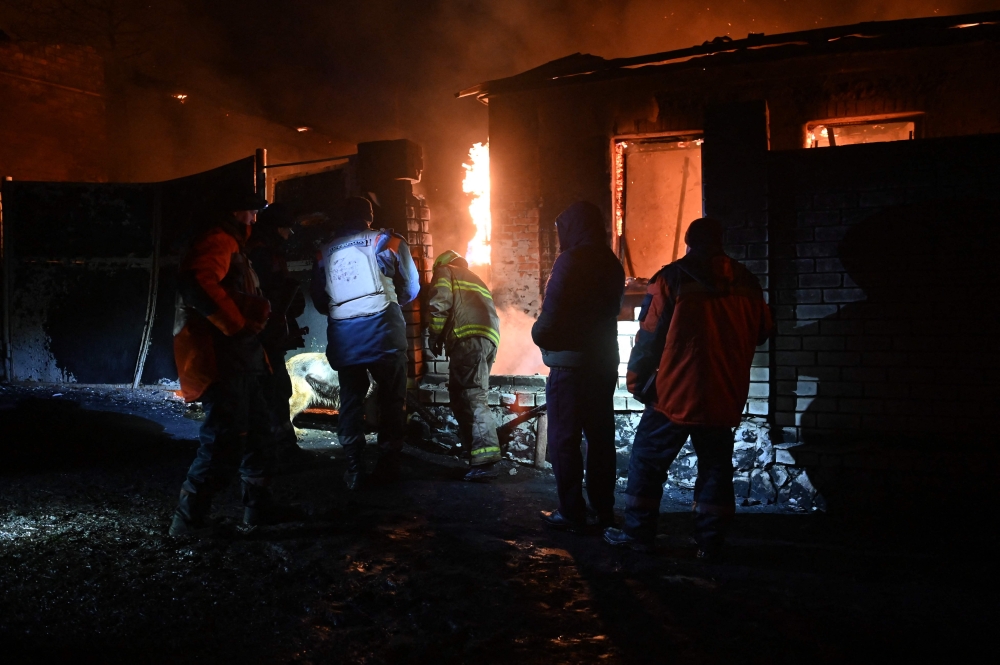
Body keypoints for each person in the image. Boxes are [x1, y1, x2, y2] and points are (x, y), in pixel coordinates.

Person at [604, 217, 774, 559]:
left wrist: (636, 382)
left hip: (675, 394)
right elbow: (763, 331)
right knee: (716, 467)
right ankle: (711, 544)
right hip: (724, 393)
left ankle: (638, 536)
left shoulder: (671, 278)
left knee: (648, 463)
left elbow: (649, 337)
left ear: (688, 242)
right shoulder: (747, 282)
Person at [169, 193, 300, 536]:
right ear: (232, 210)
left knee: (259, 434)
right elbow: (196, 283)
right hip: (222, 358)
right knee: (224, 439)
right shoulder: (217, 240)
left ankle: (258, 508)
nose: (254, 218)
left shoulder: (235, 246)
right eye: (250, 210)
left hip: (244, 358)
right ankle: (188, 521)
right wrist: (238, 326)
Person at [311, 196, 420, 490]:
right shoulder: (388, 241)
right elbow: (411, 289)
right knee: (392, 399)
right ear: (369, 217)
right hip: (384, 332)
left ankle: (354, 468)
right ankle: (388, 466)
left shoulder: (324, 252)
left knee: (350, 399)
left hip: (345, 338)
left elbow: (320, 301)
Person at [532, 201, 625, 532]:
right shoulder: (611, 262)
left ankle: (571, 510)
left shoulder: (570, 261)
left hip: (570, 367)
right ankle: (604, 510)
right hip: (602, 364)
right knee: (600, 439)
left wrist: (538, 335)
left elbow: (552, 315)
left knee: (564, 439)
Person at [426, 250, 502, 481]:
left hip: (467, 339)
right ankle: (475, 455)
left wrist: (434, 335)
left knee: (472, 396)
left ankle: (485, 462)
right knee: (462, 397)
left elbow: (439, 304)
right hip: (487, 341)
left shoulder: (445, 271)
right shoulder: (473, 278)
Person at [247, 203, 309, 465]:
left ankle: (277, 447)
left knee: (276, 388)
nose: (288, 235)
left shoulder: (261, 251)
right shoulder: (263, 254)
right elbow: (270, 294)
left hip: (267, 332)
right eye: (286, 229)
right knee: (275, 389)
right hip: (263, 335)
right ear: (277, 229)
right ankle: (276, 451)